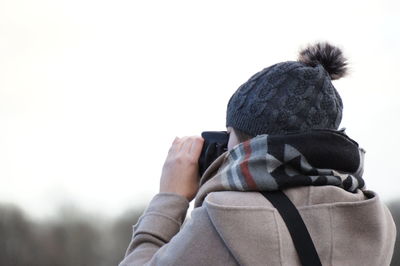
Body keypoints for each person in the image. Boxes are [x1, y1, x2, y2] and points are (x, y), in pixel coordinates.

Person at [119, 42, 396, 266]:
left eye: (229, 136)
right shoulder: (376, 219)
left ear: (245, 145)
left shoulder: (225, 218)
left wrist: (170, 198)